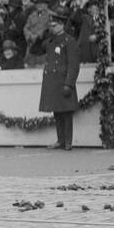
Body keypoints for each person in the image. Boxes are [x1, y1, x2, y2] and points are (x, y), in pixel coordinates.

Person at [38, 9, 81, 150]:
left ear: (62, 25)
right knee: (57, 112)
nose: (52, 28)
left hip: (63, 81)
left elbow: (73, 65)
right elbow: (34, 50)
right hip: (53, 82)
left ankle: (68, 141)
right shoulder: (50, 41)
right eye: (51, 26)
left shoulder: (69, 41)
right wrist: (43, 34)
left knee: (67, 113)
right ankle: (60, 140)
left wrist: (69, 83)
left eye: (55, 25)